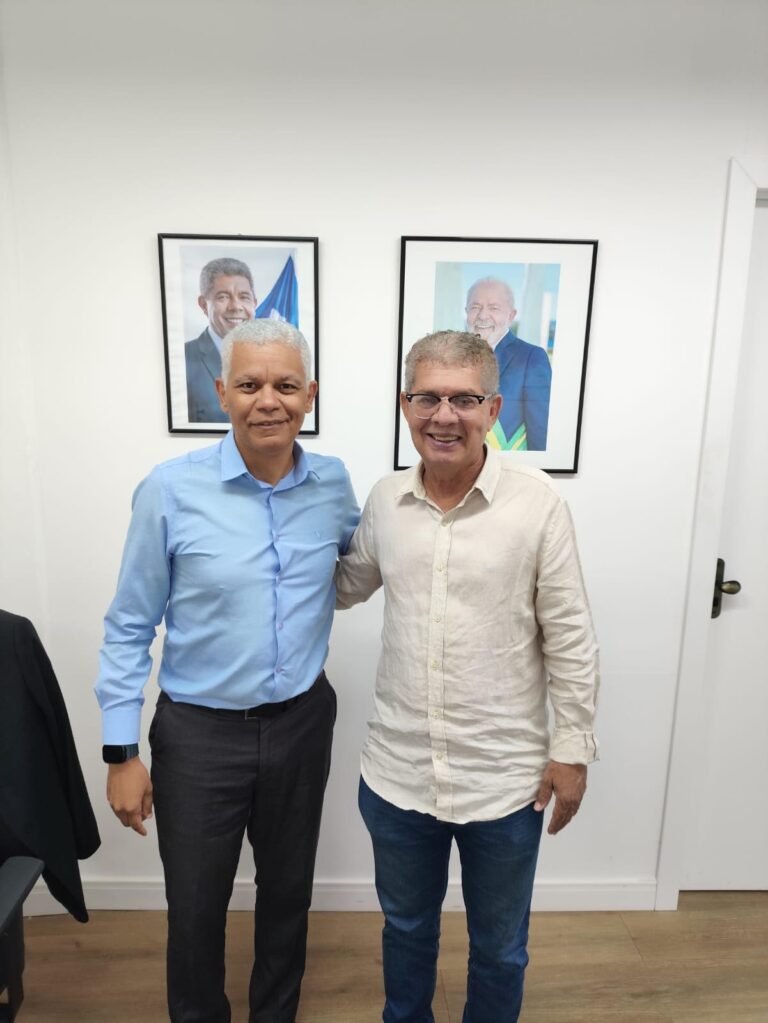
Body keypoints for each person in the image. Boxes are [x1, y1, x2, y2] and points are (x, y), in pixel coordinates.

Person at [95, 319, 359, 1023]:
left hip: (301, 723)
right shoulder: (169, 490)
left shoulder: (333, 484)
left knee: (287, 896)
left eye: (285, 385)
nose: (268, 400)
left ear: (309, 394)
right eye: (249, 384)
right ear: (222, 392)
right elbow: (129, 625)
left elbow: (361, 562)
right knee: (195, 907)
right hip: (198, 736)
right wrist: (120, 752)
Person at [336, 330, 599, 1023]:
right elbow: (343, 585)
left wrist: (572, 750)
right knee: (406, 931)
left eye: (463, 399)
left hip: (504, 781)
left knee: (501, 951)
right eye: (427, 397)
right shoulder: (385, 501)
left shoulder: (537, 504)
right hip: (398, 776)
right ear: (405, 405)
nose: (444, 416)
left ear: (493, 408)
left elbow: (571, 636)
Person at [465, 276, 552, 450]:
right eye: (475, 307)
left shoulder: (532, 358)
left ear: (511, 316)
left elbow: (540, 432)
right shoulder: (453, 356)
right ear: (466, 312)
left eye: (494, 308)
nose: (483, 315)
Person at [185, 257, 257, 423]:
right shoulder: (183, 359)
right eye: (223, 297)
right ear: (203, 304)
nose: (235, 306)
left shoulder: (271, 357)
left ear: (254, 303)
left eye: (244, 297)